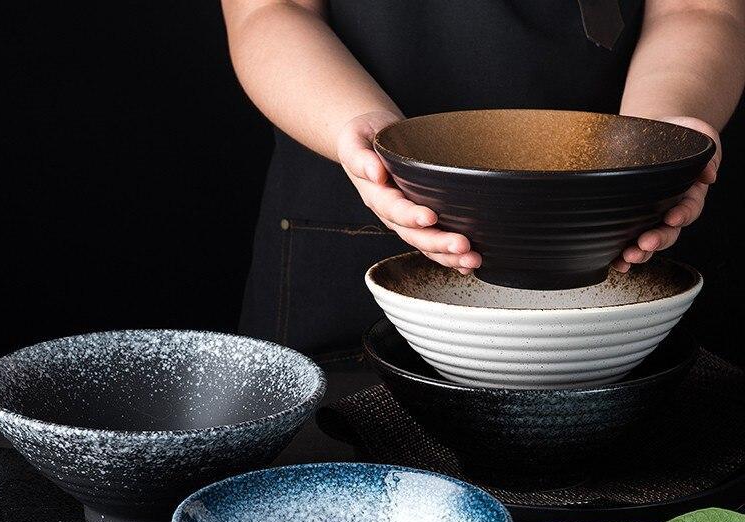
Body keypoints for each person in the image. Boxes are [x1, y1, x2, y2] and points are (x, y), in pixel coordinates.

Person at [222, 0, 745, 362]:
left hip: (630, 232)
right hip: (348, 223)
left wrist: (659, 140)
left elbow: (696, 10)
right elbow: (271, 10)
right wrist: (368, 139)